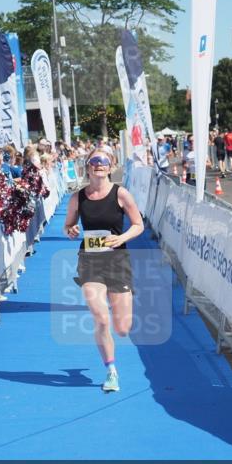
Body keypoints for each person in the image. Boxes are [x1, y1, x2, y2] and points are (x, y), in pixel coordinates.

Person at [64, 149, 143, 394]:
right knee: (101, 318)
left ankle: (128, 293)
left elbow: (139, 224)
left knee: (122, 328)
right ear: (87, 167)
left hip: (117, 261)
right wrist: (71, 230)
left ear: (110, 167)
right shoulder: (78, 197)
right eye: (94, 161)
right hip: (90, 261)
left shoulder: (121, 194)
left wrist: (122, 238)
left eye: (103, 161)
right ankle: (111, 371)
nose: (99, 165)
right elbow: (68, 225)